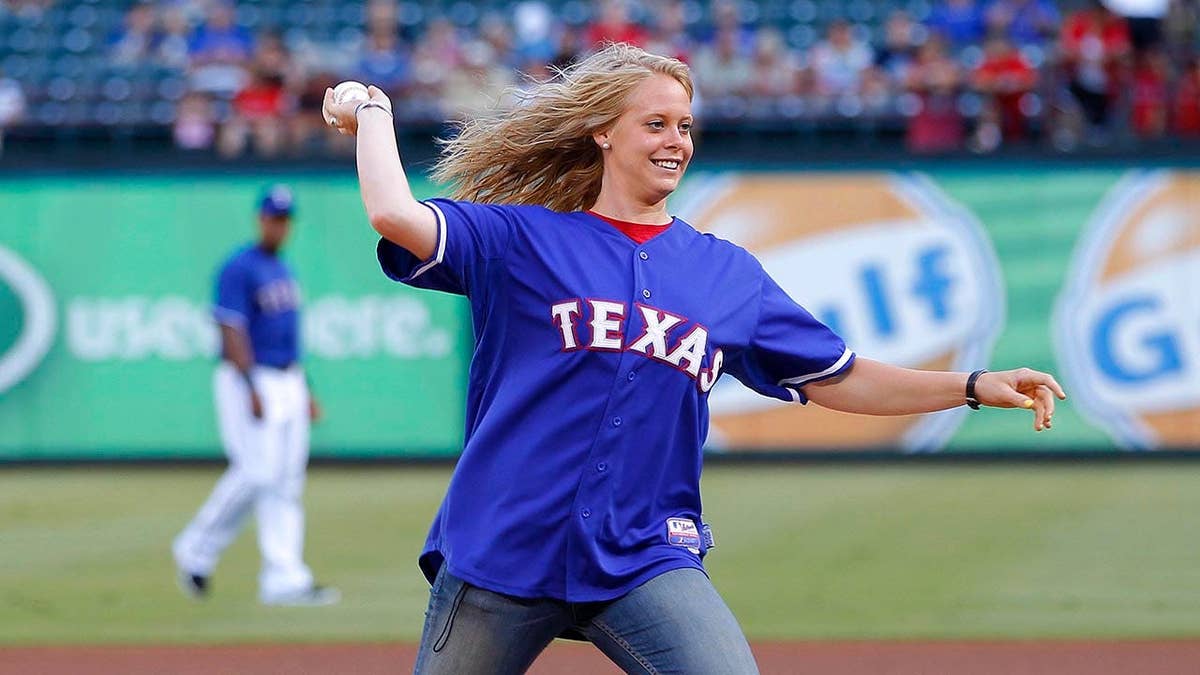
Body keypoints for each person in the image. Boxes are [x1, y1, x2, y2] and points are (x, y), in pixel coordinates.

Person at [322, 43, 1066, 673]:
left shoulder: (724, 275)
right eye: (655, 123)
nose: (676, 138)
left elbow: (842, 377)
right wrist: (375, 110)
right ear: (602, 133)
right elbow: (393, 213)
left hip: (642, 553)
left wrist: (969, 384)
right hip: (504, 546)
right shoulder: (525, 242)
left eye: (684, 124)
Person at [173, 186, 339, 607]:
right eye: (272, 217)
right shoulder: (238, 267)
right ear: (259, 219)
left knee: (286, 481)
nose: (278, 225)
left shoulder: (282, 269)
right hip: (250, 377)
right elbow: (231, 328)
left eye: (284, 219)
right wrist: (250, 386)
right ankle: (194, 547)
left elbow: (287, 335)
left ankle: (284, 578)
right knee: (256, 472)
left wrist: (307, 390)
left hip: (288, 378)